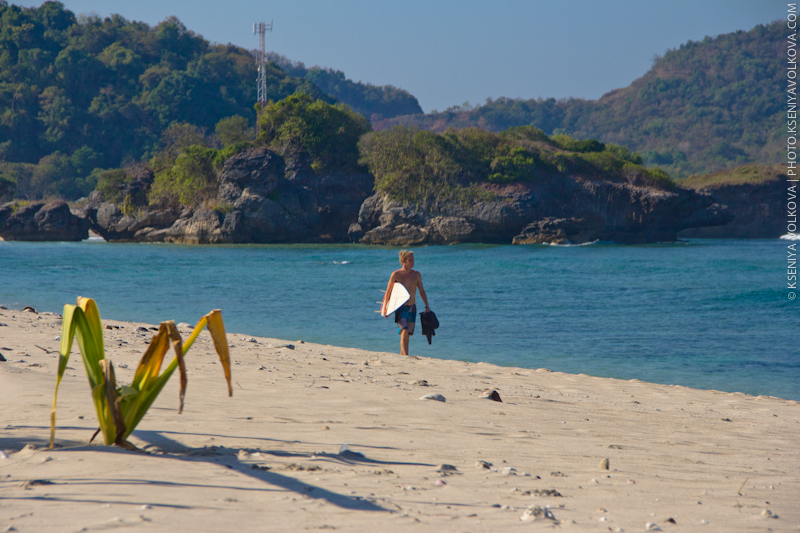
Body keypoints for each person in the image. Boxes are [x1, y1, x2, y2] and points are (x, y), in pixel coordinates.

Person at [382, 249, 429, 356]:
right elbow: (388, 291)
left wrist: (427, 306)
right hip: (400, 307)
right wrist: (385, 308)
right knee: (404, 332)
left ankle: (402, 356)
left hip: (412, 307)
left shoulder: (416, 275)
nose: (413, 262)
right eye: (410, 260)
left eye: (413, 259)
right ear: (404, 261)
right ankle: (406, 357)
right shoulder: (396, 275)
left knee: (407, 334)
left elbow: (421, 291)